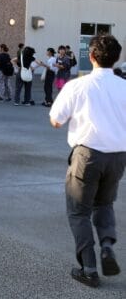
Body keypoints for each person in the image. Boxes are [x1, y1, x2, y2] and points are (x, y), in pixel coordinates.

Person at [49, 34, 126, 288]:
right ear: (117, 58)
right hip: (117, 156)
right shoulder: (124, 86)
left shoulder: (77, 86)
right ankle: (106, 244)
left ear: (91, 56)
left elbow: (56, 119)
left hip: (87, 154)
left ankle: (89, 268)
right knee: (104, 204)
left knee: (79, 212)